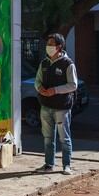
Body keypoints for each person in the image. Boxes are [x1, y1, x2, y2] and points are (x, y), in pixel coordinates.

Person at [35, 33, 78, 175]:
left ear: (59, 47)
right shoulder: (44, 63)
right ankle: (48, 165)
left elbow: (73, 85)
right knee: (48, 138)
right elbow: (37, 81)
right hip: (46, 106)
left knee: (64, 138)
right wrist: (40, 88)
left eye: (52, 44)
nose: (49, 47)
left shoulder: (68, 64)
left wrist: (56, 90)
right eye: (48, 44)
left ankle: (67, 165)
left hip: (62, 107)